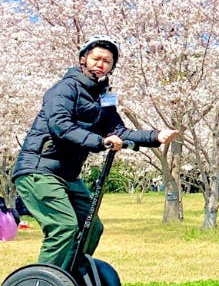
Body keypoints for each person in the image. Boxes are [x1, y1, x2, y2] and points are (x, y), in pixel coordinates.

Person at [12, 37, 179, 266]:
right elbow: (61, 126)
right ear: (83, 60)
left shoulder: (104, 98)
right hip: (39, 169)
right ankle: (45, 283)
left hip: (67, 175)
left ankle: (71, 278)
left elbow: (118, 130)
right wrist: (100, 142)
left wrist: (155, 136)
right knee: (63, 226)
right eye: (96, 59)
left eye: (107, 61)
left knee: (92, 227)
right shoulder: (64, 89)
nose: (101, 64)